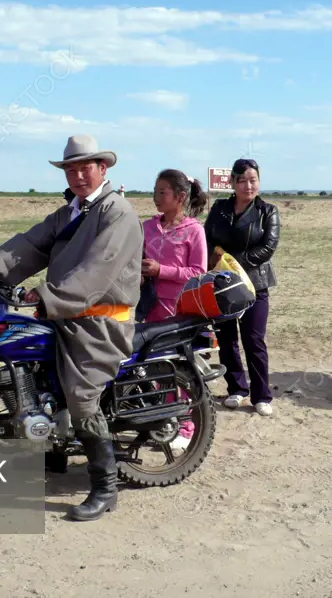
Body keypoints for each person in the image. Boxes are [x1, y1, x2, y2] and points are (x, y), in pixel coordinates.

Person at [0, 134, 143, 523]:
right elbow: (27, 246)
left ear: (102, 169)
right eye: (71, 169)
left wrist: (46, 297)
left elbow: (98, 271)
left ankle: (105, 488)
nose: (77, 175)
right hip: (64, 313)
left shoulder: (118, 213)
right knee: (29, 366)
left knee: (80, 397)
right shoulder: (70, 213)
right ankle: (50, 448)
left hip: (99, 322)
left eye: (85, 167)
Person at [203, 158, 280, 417]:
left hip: (254, 285)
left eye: (253, 180)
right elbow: (208, 237)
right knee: (226, 339)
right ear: (232, 182)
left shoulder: (268, 211)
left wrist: (234, 262)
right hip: (223, 286)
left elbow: (267, 248)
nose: (248, 185)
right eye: (242, 180)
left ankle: (261, 395)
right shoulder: (220, 208)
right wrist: (217, 255)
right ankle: (237, 389)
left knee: (254, 339)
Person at [140, 168, 208, 451]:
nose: (156, 197)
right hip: (149, 308)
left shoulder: (194, 231)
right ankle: (162, 420)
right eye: (155, 191)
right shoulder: (146, 227)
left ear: (180, 197)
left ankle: (187, 425)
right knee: (151, 369)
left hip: (178, 312)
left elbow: (198, 272)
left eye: (162, 192)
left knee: (176, 370)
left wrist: (161, 270)